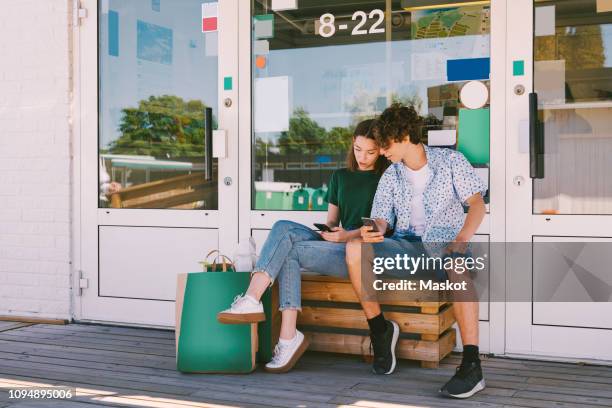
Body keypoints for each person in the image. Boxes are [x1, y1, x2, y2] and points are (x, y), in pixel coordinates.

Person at [217, 119, 389, 373]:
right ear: (352, 146)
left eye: (371, 152)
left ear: (381, 151)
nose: (363, 157)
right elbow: (332, 220)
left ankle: (282, 332)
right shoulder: (339, 176)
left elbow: (383, 226)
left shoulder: (386, 178)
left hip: (360, 252)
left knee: (289, 252)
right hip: (335, 244)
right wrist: (330, 232)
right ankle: (254, 300)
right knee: (282, 227)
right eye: (358, 149)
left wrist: (347, 236)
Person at [345, 103, 487, 398]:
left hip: (445, 247)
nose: (381, 152)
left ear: (405, 135)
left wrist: (461, 240)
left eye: (385, 144)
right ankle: (380, 331)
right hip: (406, 247)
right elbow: (383, 218)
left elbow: (476, 204)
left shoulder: (451, 161)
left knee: (457, 265)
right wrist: (377, 229)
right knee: (355, 248)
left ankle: (472, 365)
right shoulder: (391, 175)